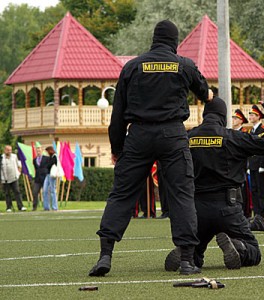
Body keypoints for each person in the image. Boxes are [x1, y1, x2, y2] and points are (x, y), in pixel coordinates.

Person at [89, 19, 212, 277]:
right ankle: (188, 260)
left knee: (122, 194)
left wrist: (117, 148)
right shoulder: (184, 65)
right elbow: (204, 92)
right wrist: (211, 97)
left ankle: (105, 255)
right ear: (175, 41)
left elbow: (118, 113)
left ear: (154, 39)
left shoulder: (132, 66)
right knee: (181, 194)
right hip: (172, 134)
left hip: (139, 135)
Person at [164, 88, 264, 271]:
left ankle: (187, 253)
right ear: (223, 116)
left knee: (195, 250)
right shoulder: (232, 138)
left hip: (196, 209)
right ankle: (240, 247)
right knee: (254, 251)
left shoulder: (188, 137)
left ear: (205, 115)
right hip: (228, 207)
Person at [247, 105, 264, 218]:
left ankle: (262, 213)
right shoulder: (252, 130)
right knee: (254, 189)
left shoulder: (263, 129)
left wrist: (262, 164)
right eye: (250, 114)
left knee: (261, 189)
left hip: (260, 162)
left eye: (252, 115)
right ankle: (256, 212)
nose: (250, 117)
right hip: (253, 163)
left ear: (258, 116)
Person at [232, 109, 252, 218]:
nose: (233, 120)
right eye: (233, 118)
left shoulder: (244, 132)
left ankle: (246, 212)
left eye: (235, 118)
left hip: (242, 164)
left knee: (244, 190)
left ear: (241, 121)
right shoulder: (232, 132)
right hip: (234, 164)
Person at [1, 145, 26, 212]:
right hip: (5, 179)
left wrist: (18, 173)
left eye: (10, 150)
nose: (9, 151)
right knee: (7, 193)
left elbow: (19, 165)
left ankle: (20, 206)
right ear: (5, 150)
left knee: (17, 192)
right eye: (8, 150)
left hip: (14, 177)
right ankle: (9, 207)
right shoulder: (1, 158)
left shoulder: (14, 156)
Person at [32, 143, 50, 211]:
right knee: (35, 192)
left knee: (45, 192)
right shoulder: (34, 160)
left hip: (45, 178)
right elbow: (36, 169)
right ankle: (34, 207)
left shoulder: (46, 158)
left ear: (42, 151)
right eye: (37, 151)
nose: (38, 152)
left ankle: (46, 206)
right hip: (37, 179)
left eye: (39, 151)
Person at [43, 146, 58, 211]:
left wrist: (46, 164)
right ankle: (46, 207)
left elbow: (49, 164)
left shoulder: (54, 156)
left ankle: (54, 207)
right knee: (45, 190)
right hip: (47, 174)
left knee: (52, 190)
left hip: (52, 175)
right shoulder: (49, 157)